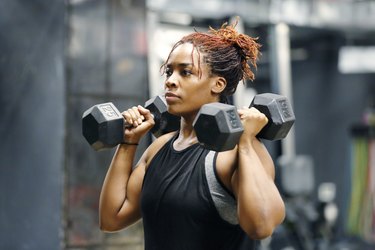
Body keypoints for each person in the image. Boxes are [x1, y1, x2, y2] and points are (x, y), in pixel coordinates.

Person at [99, 19, 285, 250]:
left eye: (185, 72)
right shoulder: (159, 148)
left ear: (217, 84)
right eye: (169, 71)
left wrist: (246, 141)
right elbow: (111, 218)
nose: (170, 81)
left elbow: (262, 226)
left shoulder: (235, 151)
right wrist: (128, 142)